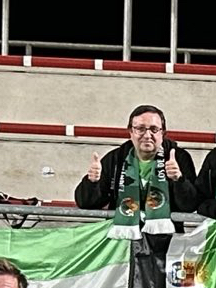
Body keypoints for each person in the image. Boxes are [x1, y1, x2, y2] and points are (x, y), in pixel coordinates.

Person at [74, 105, 199, 246]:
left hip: (166, 244)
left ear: (162, 133)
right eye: (140, 129)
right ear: (130, 132)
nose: (147, 135)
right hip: (122, 244)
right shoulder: (116, 158)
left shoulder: (179, 158)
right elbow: (85, 203)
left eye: (154, 129)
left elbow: (189, 205)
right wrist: (92, 182)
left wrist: (178, 180)